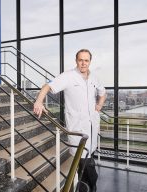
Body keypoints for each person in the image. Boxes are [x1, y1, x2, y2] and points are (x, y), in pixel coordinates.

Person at [33, 49, 106, 192]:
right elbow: (47, 86)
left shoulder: (94, 78)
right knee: (84, 161)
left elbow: (102, 92)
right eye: (81, 60)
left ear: (90, 62)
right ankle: (91, 186)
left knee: (88, 158)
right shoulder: (68, 76)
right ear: (76, 61)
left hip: (92, 126)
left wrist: (98, 106)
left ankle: (86, 187)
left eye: (86, 60)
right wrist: (38, 102)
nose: (83, 63)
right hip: (77, 128)